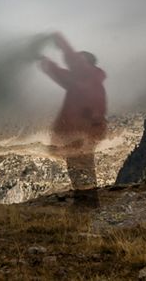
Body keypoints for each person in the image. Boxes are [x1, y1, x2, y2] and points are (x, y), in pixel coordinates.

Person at [38, 32, 107, 206]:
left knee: (81, 168)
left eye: (81, 62)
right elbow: (61, 74)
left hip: (80, 134)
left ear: (86, 64)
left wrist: (59, 40)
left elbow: (71, 60)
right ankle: (86, 203)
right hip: (80, 135)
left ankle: (88, 205)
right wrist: (44, 61)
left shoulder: (86, 77)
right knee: (79, 168)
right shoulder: (84, 81)